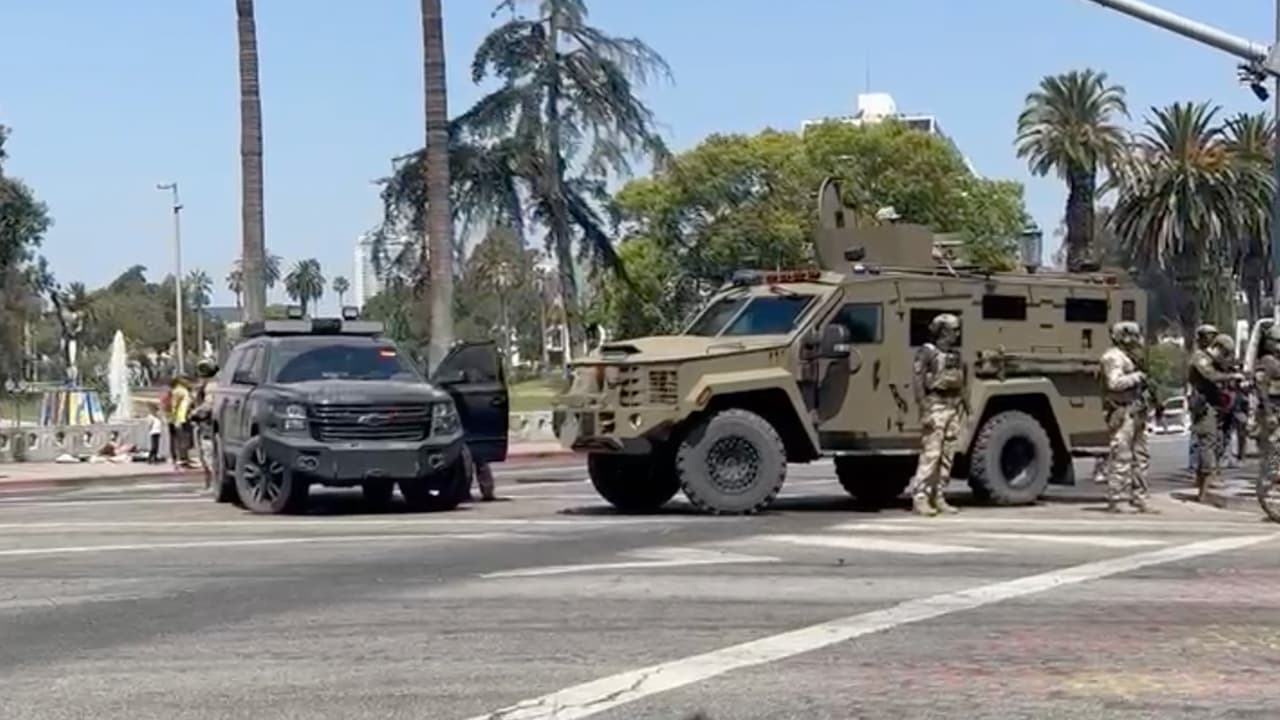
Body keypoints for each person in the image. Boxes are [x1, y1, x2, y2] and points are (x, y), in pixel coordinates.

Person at [907, 313, 966, 516]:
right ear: (943, 331)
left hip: (951, 407)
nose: (957, 334)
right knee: (931, 454)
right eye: (954, 330)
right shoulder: (927, 352)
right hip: (935, 406)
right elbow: (918, 381)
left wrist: (964, 406)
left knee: (947, 454)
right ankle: (920, 497)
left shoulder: (953, 354)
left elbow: (960, 381)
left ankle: (938, 495)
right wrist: (924, 409)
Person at [1099, 321, 1156, 513]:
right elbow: (1114, 383)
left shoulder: (1132, 356)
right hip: (1122, 412)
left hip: (1137, 410)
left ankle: (1139, 497)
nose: (1136, 339)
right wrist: (1137, 377)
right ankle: (1116, 498)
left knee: (1141, 457)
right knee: (1121, 456)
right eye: (1132, 335)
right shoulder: (1112, 357)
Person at [1187, 326, 1238, 501]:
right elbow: (1211, 376)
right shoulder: (1200, 358)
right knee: (1207, 444)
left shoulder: (1212, 360)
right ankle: (1204, 491)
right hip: (1203, 407)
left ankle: (1204, 487)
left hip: (1214, 407)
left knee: (1213, 442)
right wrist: (1232, 376)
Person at [1253, 325, 1280, 499]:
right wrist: (1269, 413)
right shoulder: (1267, 362)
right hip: (1271, 411)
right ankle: (1268, 483)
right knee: (1272, 448)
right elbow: (1262, 388)